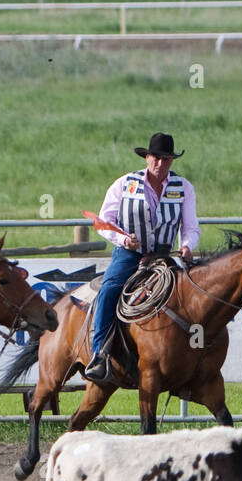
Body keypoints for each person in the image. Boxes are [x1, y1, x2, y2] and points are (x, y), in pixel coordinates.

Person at [84, 132, 200, 382]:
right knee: (110, 288)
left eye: (166, 159)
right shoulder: (125, 183)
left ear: (172, 161)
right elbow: (104, 222)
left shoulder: (184, 188)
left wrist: (188, 246)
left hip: (164, 256)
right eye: (156, 158)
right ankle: (99, 353)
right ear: (147, 158)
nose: (161, 163)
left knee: (190, 294)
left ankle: (191, 354)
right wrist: (124, 239)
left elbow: (190, 227)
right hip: (129, 254)